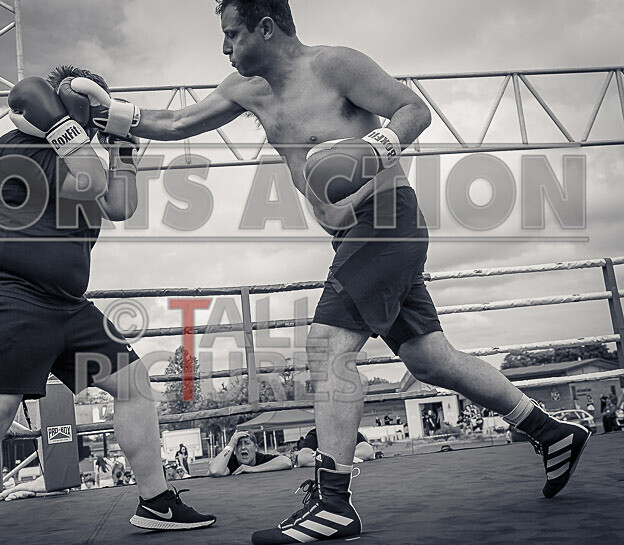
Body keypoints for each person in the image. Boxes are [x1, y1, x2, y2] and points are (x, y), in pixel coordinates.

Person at [64, 1, 591, 541]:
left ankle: (334, 503)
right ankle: (549, 431)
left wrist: (374, 148)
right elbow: (172, 122)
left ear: (265, 27)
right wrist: (105, 110)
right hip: (352, 236)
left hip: (385, 219)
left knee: (326, 347)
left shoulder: (336, 65)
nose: (224, 47)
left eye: (232, 34)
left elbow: (412, 108)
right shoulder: (245, 89)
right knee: (430, 359)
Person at [0, 69, 215, 545]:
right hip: (10, 293)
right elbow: (91, 178)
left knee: (133, 383)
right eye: (84, 107)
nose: (91, 118)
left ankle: (156, 502)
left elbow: (120, 205)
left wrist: (122, 144)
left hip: (67, 305)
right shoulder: (19, 145)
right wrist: (70, 125)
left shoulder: (81, 151)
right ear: (56, 105)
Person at [209, 431, 292, 477]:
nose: (243, 447)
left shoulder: (260, 458)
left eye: (247, 443)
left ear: (255, 447)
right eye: (238, 444)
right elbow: (216, 470)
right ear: (234, 450)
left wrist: (253, 469)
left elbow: (286, 462)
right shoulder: (231, 462)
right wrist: (231, 444)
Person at [296, 429, 374, 466]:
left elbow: (367, 451)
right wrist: (346, 458)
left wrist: (326, 459)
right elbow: (303, 459)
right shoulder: (315, 434)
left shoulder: (349, 431)